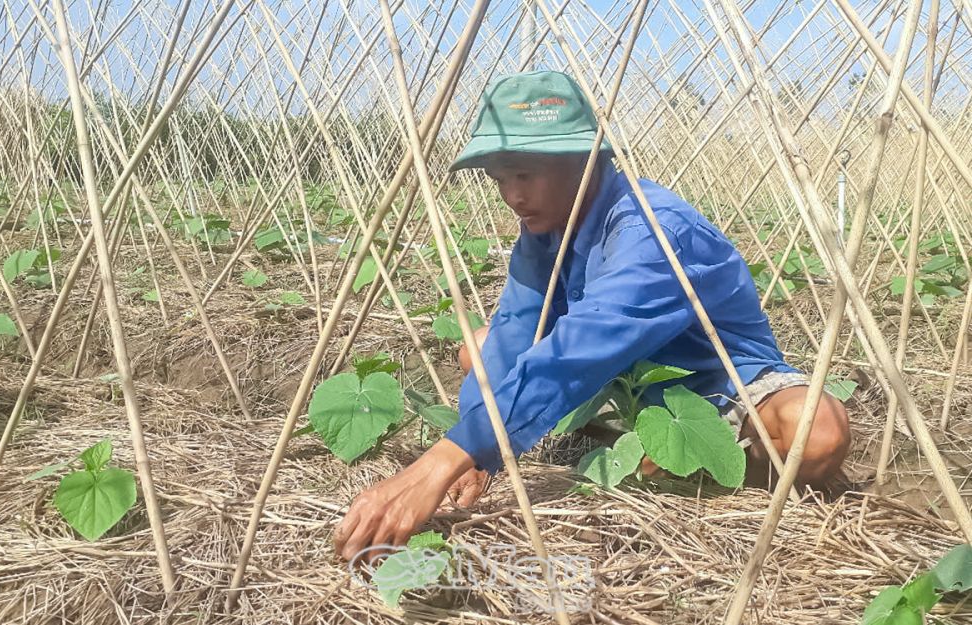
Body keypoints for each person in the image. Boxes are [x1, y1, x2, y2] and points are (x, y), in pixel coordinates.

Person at [333, 70, 850, 563]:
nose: (513, 196)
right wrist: (480, 455)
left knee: (818, 430)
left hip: (721, 388)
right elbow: (516, 331)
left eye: (526, 174)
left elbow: (586, 341)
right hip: (624, 389)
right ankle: (631, 444)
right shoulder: (544, 232)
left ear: (582, 160)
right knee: (480, 347)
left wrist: (442, 460)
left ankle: (695, 464)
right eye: (501, 178)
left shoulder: (653, 229)